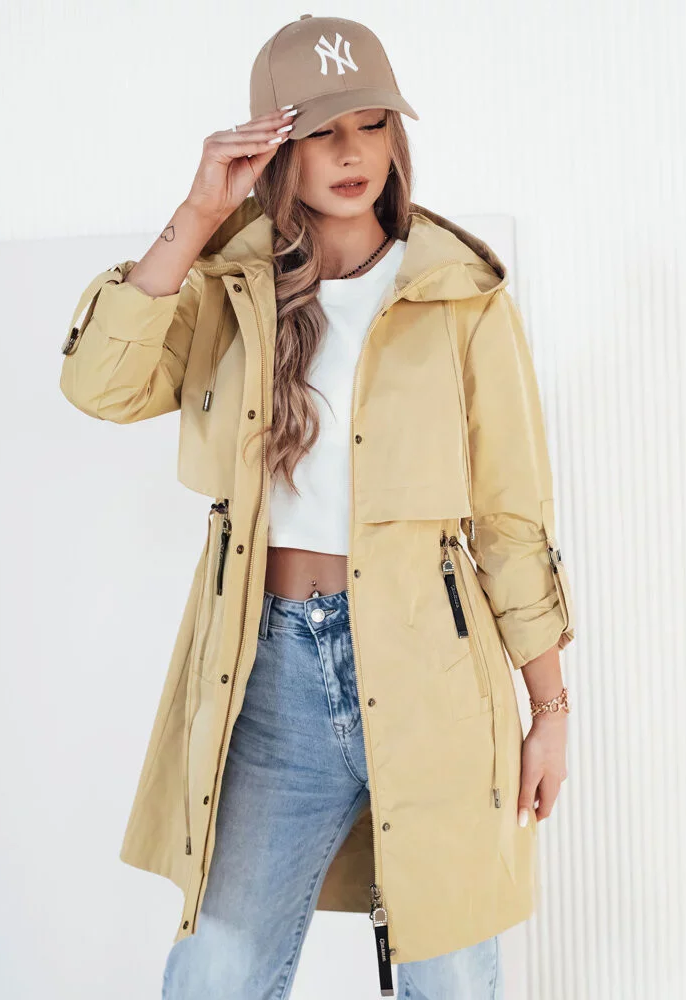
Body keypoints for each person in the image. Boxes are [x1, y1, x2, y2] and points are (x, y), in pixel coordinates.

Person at [59, 14, 576, 1000]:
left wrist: (549, 710)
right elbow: (98, 385)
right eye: (321, 131)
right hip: (270, 678)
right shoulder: (227, 292)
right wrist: (195, 215)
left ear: (396, 137)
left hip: (433, 672)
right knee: (216, 972)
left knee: (450, 976)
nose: (351, 154)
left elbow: (513, 521)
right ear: (273, 147)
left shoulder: (462, 298)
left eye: (372, 125)